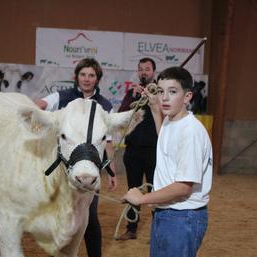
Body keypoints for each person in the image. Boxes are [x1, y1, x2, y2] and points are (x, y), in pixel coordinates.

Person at [122, 66, 213, 257]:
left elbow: (183, 187)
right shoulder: (171, 120)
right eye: (161, 91)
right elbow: (163, 137)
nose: (164, 97)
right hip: (167, 212)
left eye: (172, 92)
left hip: (182, 216)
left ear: (187, 97)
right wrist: (155, 108)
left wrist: (141, 199)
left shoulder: (190, 132)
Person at [34, 58, 117, 257]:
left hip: (90, 171)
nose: (87, 79)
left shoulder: (105, 105)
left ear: (97, 79)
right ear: (76, 76)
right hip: (60, 173)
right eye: (83, 74)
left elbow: (108, 143)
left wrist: (111, 171)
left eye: (91, 75)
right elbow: (40, 105)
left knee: (90, 218)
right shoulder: (61, 97)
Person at [116, 57, 158, 240]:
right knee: (133, 190)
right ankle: (131, 230)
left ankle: (158, 232)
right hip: (132, 150)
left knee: (156, 193)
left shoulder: (160, 92)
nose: (144, 73)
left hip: (154, 151)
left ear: (153, 72)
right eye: (141, 69)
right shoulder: (132, 93)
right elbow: (120, 116)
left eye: (147, 69)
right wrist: (131, 96)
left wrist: (153, 98)